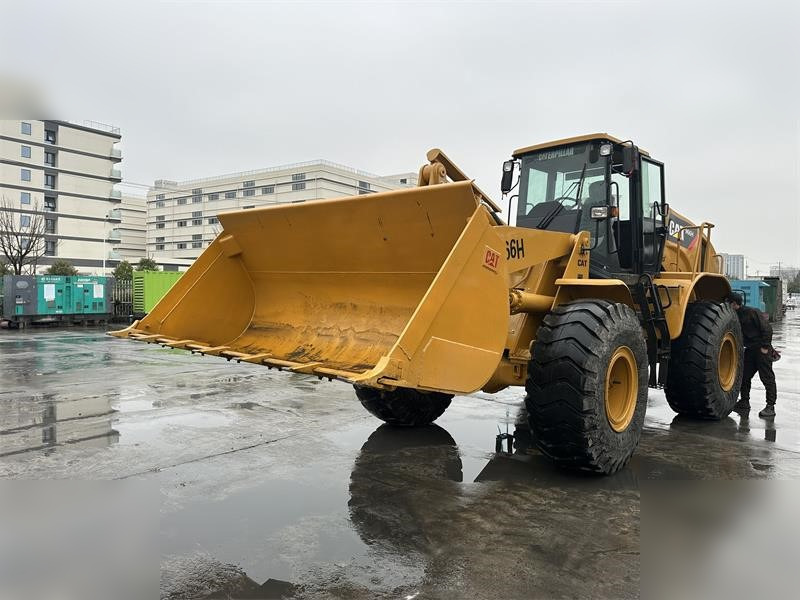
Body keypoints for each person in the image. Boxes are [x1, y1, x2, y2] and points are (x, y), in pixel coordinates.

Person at [727, 293, 777, 418]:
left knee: (767, 378)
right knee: (744, 376)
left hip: (761, 349)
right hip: (750, 350)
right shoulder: (734, 316)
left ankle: (770, 406)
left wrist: (765, 347)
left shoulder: (752, 312)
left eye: (728, 303)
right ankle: (744, 402)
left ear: (734, 304)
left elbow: (767, 329)